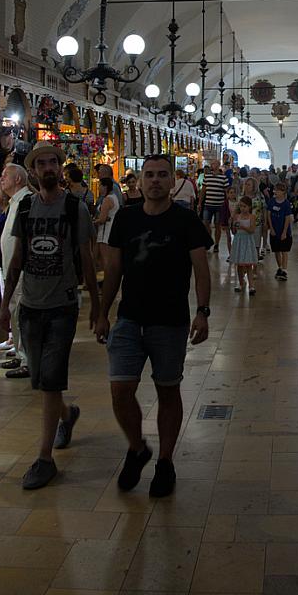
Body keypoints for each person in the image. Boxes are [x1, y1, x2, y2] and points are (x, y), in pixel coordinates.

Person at [95, 153, 212, 497]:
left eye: (162, 175)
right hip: (129, 318)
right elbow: (114, 269)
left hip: (170, 321)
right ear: (140, 180)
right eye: (150, 175)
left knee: (167, 390)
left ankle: (165, 461)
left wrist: (203, 311)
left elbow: (201, 269)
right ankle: (136, 448)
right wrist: (102, 312)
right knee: (120, 390)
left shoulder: (186, 220)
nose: (156, 180)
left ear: (173, 181)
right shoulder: (126, 218)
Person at [0, 142, 98, 490]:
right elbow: (16, 259)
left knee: (50, 382)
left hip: (62, 306)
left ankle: (44, 459)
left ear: (60, 166)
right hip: (30, 306)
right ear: (34, 170)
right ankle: (67, 415)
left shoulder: (74, 208)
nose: (48, 168)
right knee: (41, 380)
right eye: (41, 164)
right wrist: (5, 304)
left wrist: (97, 307)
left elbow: (87, 258)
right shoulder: (26, 208)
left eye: (53, 162)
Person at [0, 162, 31, 378]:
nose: (1, 179)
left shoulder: (26, 201)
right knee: (15, 310)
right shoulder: (15, 202)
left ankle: (27, 358)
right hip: (11, 269)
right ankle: (20, 353)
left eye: (5, 175)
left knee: (20, 311)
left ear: (18, 179)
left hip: (21, 271)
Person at [231, 196, 258, 295]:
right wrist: (233, 226)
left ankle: (251, 285)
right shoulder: (236, 217)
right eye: (241, 206)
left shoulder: (252, 217)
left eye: (244, 206)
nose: (242, 208)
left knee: (248, 265)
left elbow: (252, 230)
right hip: (239, 241)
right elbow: (234, 232)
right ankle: (241, 283)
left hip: (247, 241)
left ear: (249, 207)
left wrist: (242, 227)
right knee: (239, 265)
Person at [200, 159, 228, 252]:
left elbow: (226, 191)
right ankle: (209, 240)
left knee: (217, 225)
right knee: (206, 223)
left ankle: (216, 244)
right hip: (208, 204)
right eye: (211, 164)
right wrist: (200, 202)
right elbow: (203, 190)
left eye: (214, 163)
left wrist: (227, 204)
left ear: (218, 165)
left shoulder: (223, 177)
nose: (212, 165)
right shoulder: (207, 176)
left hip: (219, 205)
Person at [94, 177, 121, 274]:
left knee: (105, 259)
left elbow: (102, 219)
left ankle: (108, 279)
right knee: (103, 258)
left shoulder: (107, 199)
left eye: (100, 185)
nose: (98, 188)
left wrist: (92, 222)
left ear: (105, 186)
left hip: (105, 232)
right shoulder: (114, 197)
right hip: (110, 229)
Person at [267, 183, 293, 279]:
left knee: (284, 250)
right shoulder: (271, 202)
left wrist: (284, 232)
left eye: (278, 190)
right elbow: (269, 215)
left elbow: (287, 218)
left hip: (283, 230)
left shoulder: (286, 203)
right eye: (275, 190)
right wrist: (271, 228)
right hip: (274, 230)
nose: (276, 192)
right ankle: (280, 267)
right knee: (276, 250)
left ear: (283, 192)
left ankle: (284, 270)